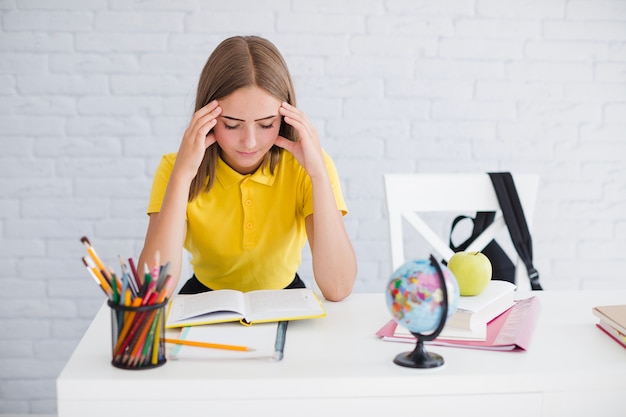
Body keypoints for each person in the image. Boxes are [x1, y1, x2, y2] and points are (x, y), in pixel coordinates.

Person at [138, 35, 356, 302]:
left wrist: (319, 175)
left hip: (285, 298)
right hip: (204, 299)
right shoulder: (175, 167)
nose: (250, 142)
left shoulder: (307, 167)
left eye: (266, 124)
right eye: (231, 124)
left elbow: (338, 288)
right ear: (206, 117)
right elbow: (152, 294)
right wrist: (183, 176)